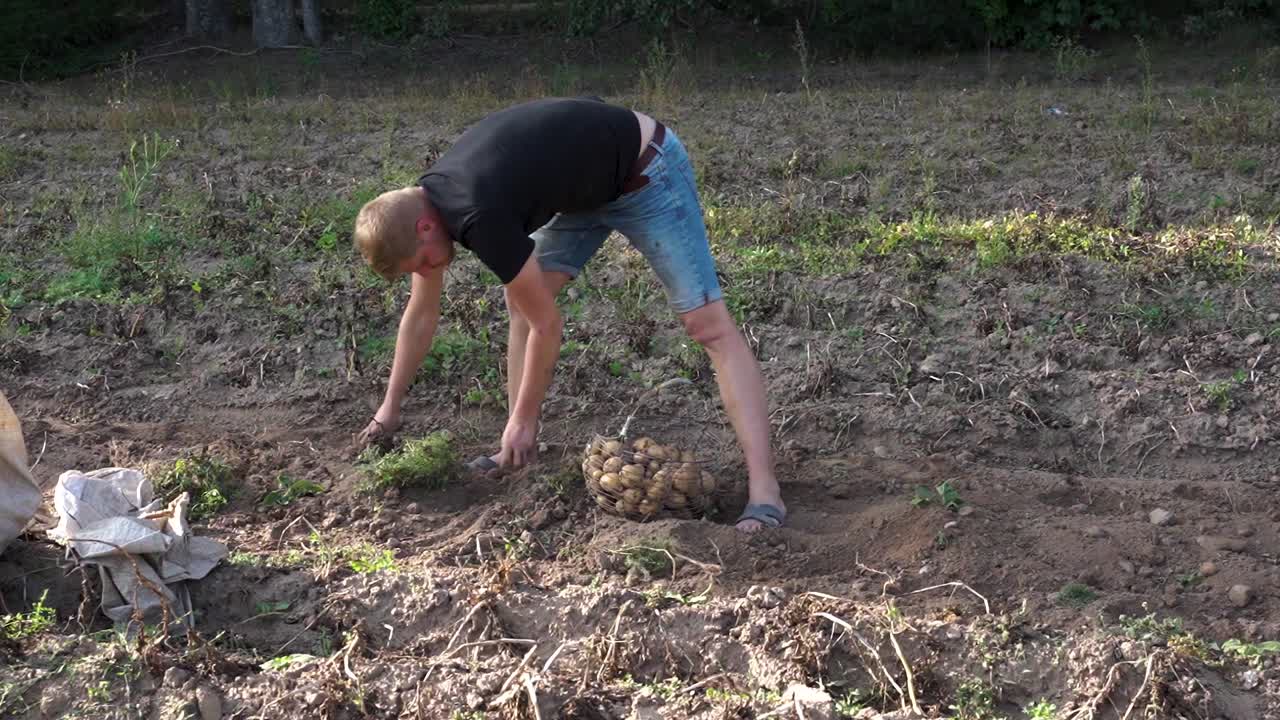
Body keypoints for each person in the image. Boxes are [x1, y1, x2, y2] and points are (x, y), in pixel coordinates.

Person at [351, 97, 785, 531]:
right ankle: (515, 451)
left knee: (706, 325)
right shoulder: (423, 206)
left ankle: (766, 494)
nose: (428, 272)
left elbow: (549, 325)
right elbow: (421, 313)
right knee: (519, 302)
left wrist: (523, 417)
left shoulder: (477, 214)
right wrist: (388, 411)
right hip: (584, 193)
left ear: (424, 228)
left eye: (423, 263)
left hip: (646, 173)